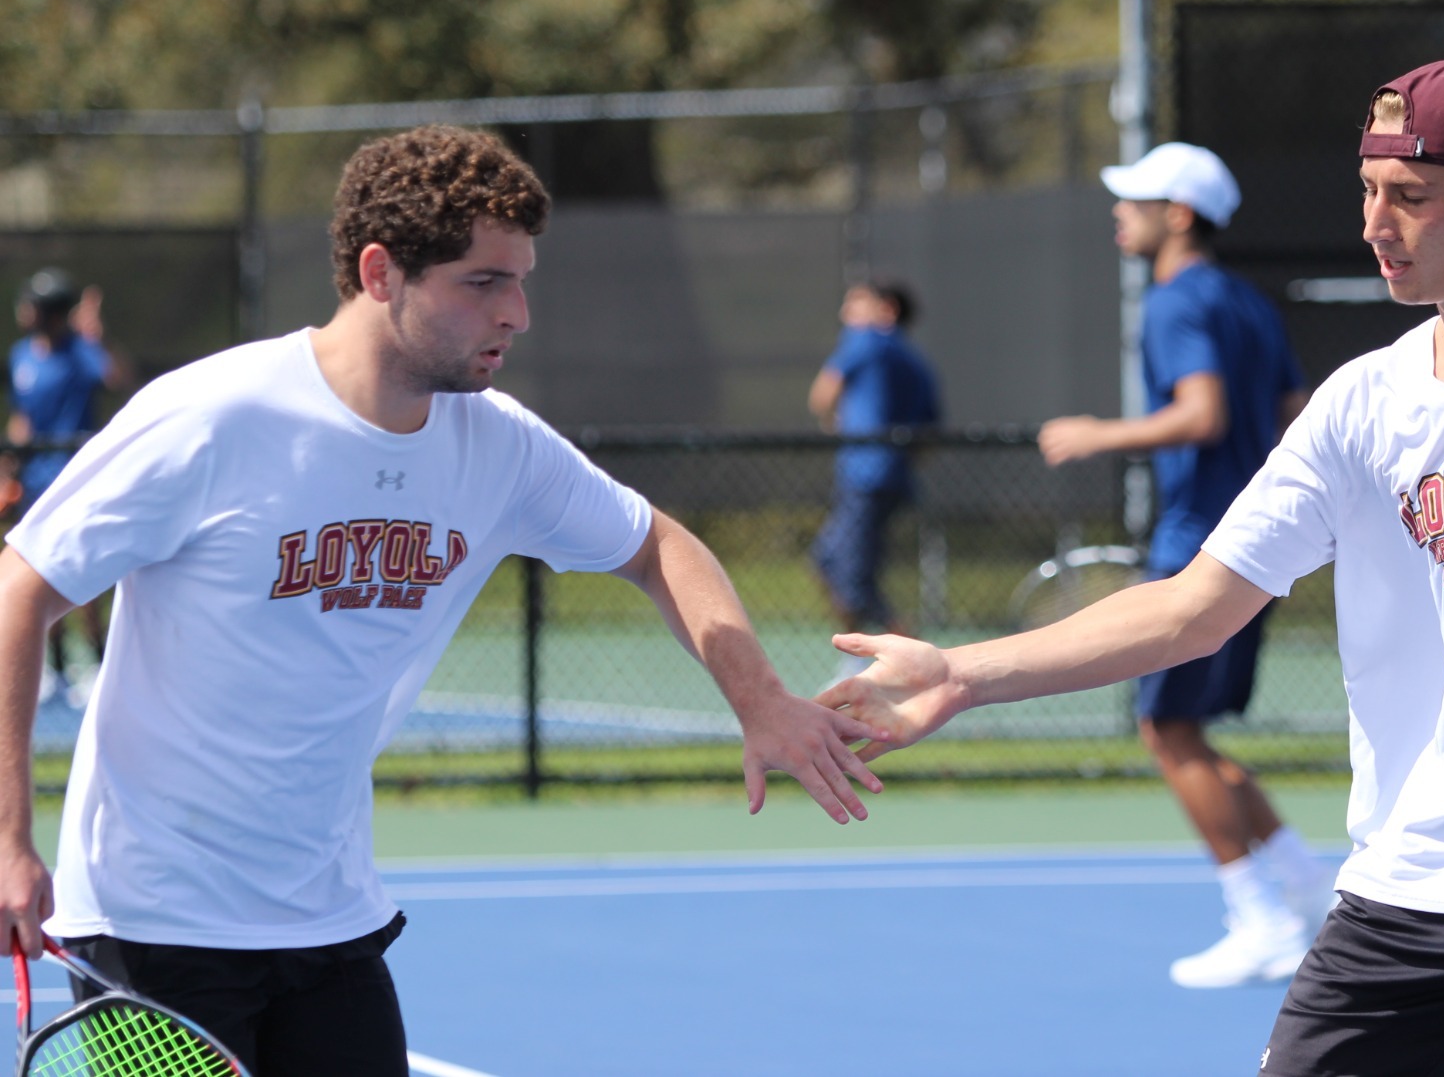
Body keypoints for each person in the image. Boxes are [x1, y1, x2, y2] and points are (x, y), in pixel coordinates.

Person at [820, 60, 1444, 1076]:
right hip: (1413, 879)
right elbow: (1192, 610)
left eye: (1409, 196)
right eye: (1365, 189)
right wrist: (963, 675)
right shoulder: (1359, 407)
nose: (1372, 221)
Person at [0, 126, 890, 1075]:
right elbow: (19, 590)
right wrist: (9, 837)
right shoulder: (215, 416)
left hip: (329, 918)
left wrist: (759, 699)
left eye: (521, 280)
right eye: (482, 282)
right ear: (382, 273)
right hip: (152, 922)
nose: (517, 313)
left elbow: (658, 546)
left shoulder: (497, 445)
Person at [1035, 142, 1331, 989]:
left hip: (1199, 543)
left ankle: (1261, 917)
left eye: (1138, 198)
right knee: (1189, 729)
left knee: (1165, 730)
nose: (1120, 211)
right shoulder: (1247, 302)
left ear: (1180, 215)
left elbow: (1201, 414)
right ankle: (1306, 884)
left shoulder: (1174, 304)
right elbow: (1294, 413)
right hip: (1260, 541)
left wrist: (1100, 434)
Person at [807, 279, 940, 674]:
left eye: (857, 303)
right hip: (891, 480)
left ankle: (915, 667)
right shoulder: (916, 362)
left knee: (849, 577)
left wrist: (835, 423)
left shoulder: (865, 341)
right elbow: (929, 435)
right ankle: (865, 658)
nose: (847, 312)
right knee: (835, 564)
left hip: (865, 479)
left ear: (887, 311)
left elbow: (821, 396)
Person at [9, 268, 121, 695]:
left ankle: (96, 666)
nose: (24, 312)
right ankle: (53, 670)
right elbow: (22, 417)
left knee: (82, 576)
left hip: (75, 481)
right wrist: (10, 464)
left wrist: (97, 338)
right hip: (34, 482)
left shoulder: (80, 351)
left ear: (50, 312)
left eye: (33, 305)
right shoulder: (21, 355)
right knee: (36, 572)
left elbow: (116, 377)